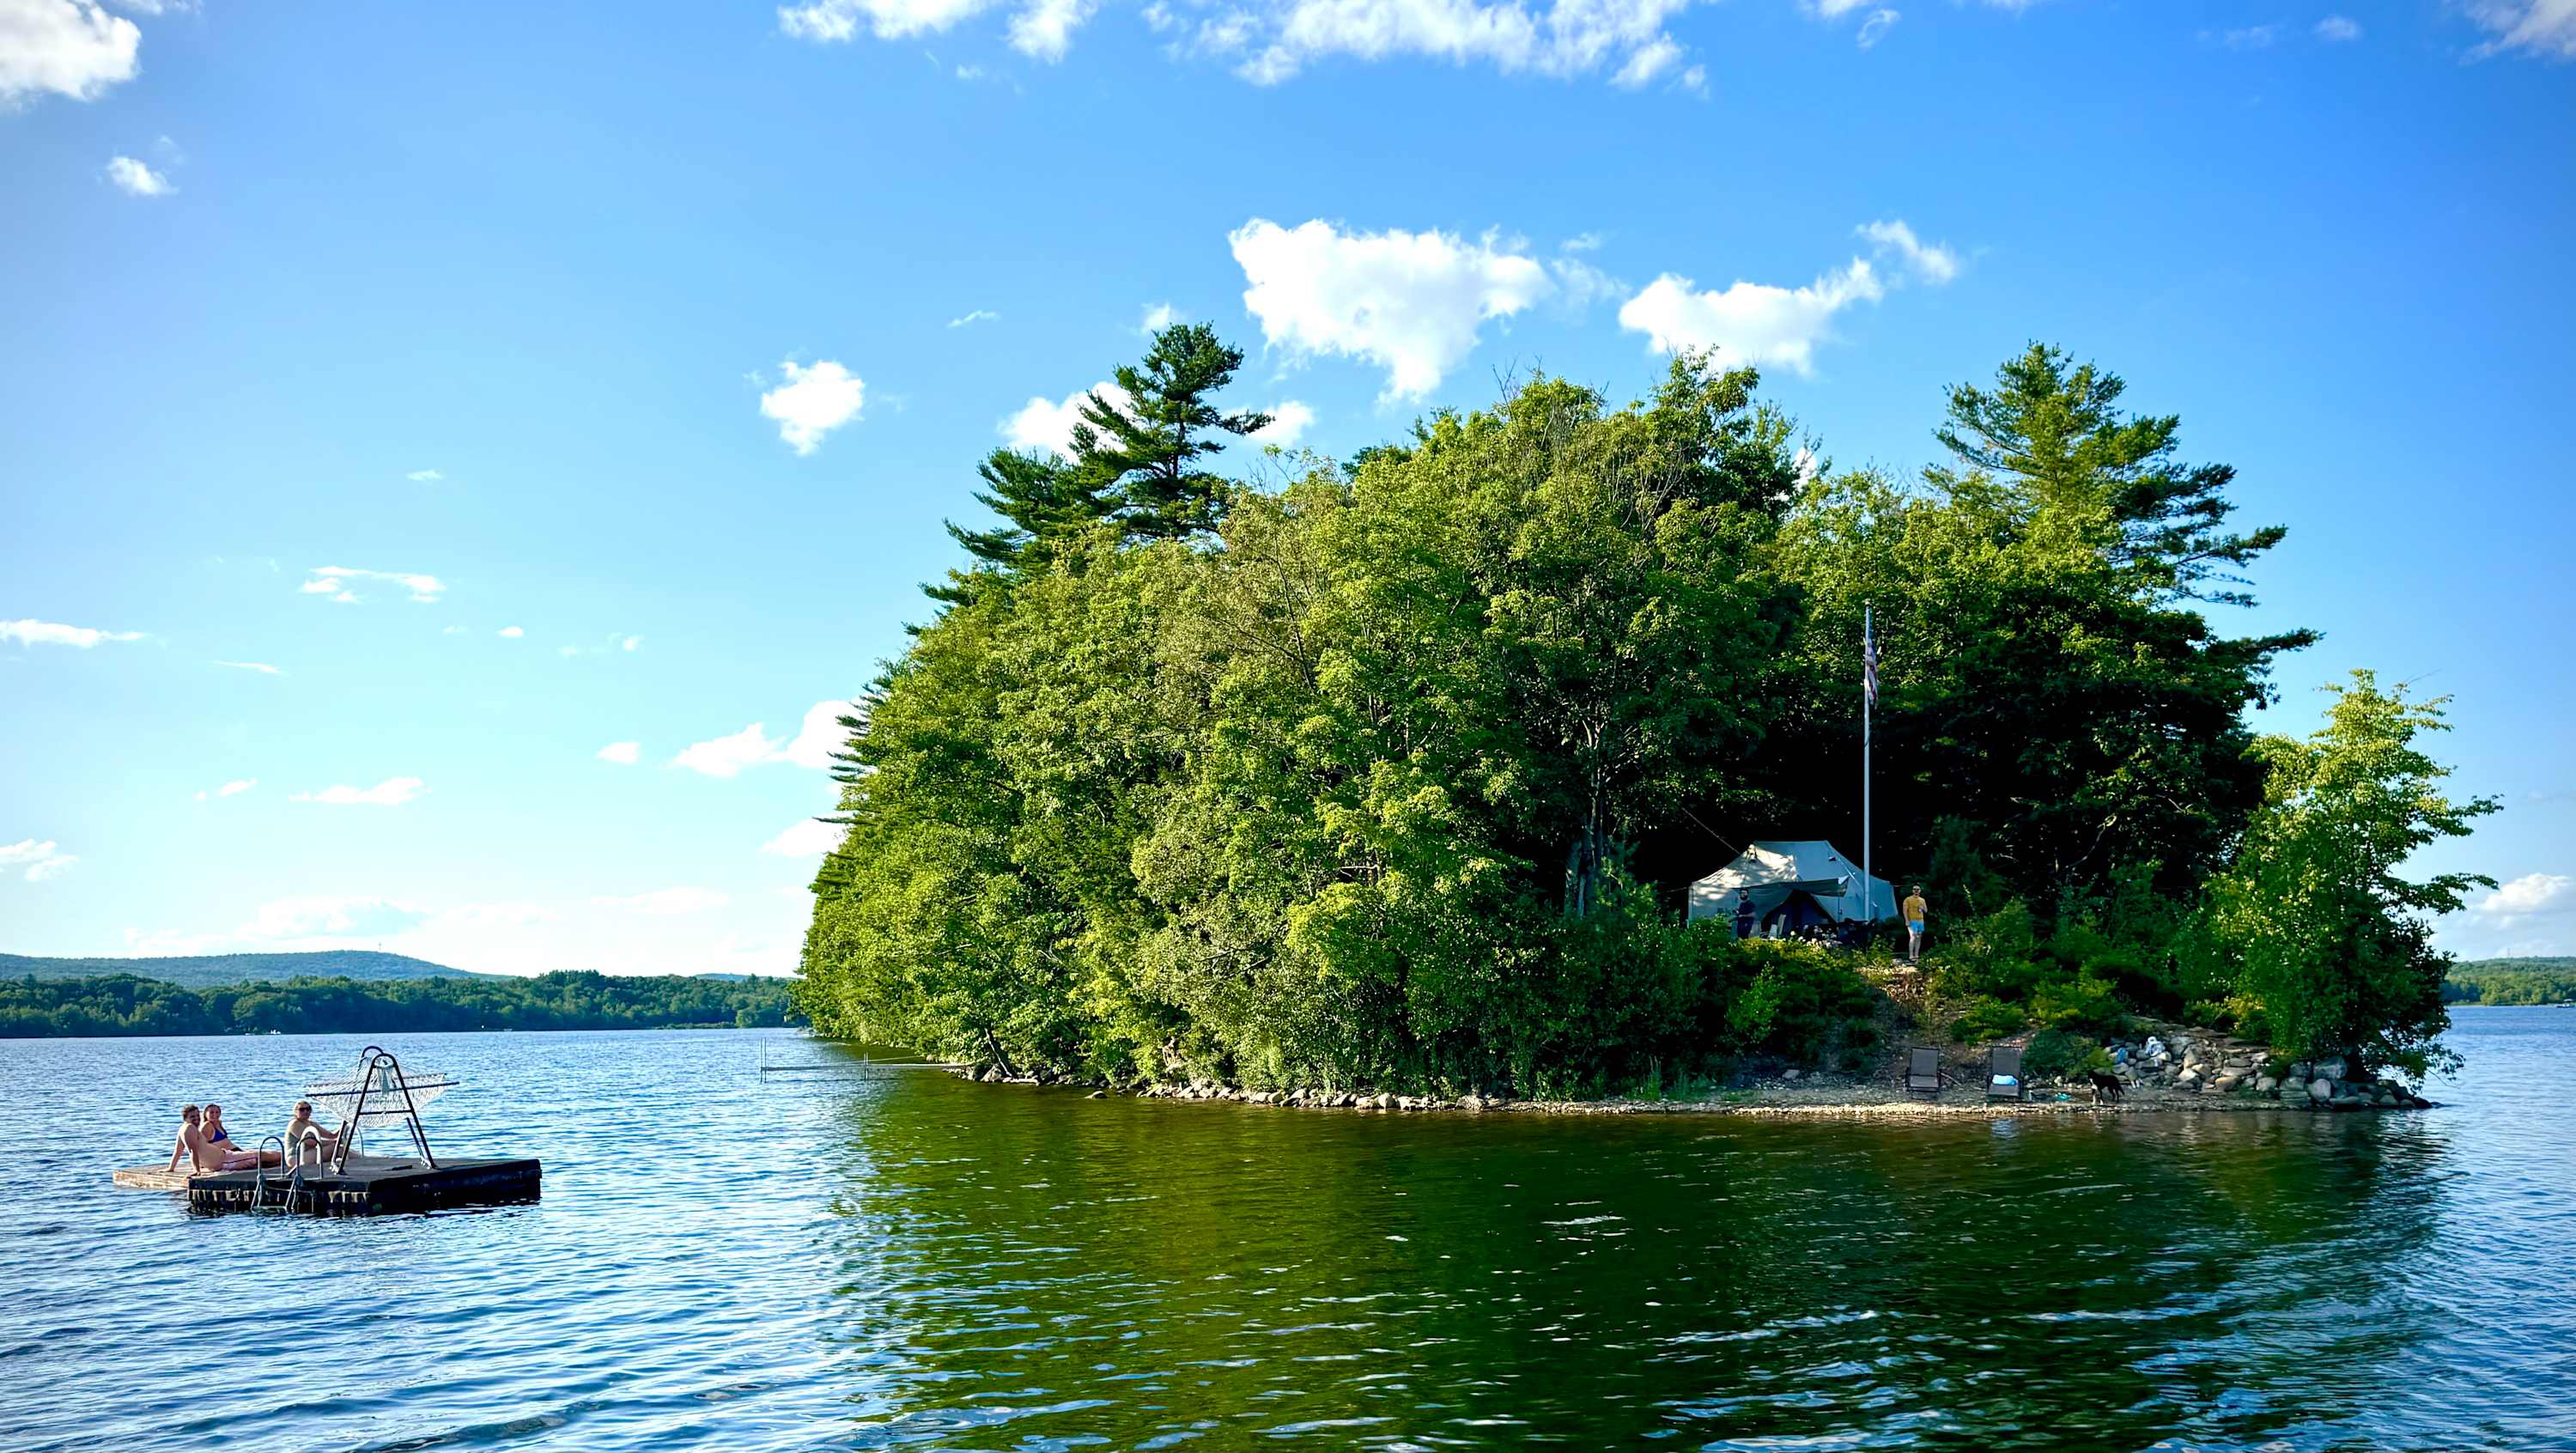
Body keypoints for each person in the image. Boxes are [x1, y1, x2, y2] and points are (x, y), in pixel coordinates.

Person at [167, 1104, 267, 1174]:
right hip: (225, 1161)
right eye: (192, 1116)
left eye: (198, 1115)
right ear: (185, 1118)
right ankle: (282, 1157)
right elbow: (192, 1151)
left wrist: (171, 1168)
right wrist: (196, 1170)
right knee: (260, 1156)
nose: (197, 1118)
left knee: (261, 1157)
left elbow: (178, 1151)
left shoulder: (184, 1128)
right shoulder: (189, 1128)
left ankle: (280, 1158)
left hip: (226, 1156)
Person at [201, 1103, 281, 1166]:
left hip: (235, 1152)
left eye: (217, 1112)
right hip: (228, 1155)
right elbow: (202, 1146)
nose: (215, 1114)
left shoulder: (218, 1123)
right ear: (205, 1113)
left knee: (269, 1155)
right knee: (269, 1156)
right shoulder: (207, 1126)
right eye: (211, 1112)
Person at [283, 1101, 338, 1166]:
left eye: (308, 1109)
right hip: (295, 1157)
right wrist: (333, 1142)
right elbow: (311, 1142)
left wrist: (345, 1123)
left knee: (339, 1148)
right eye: (302, 1110)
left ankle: (351, 1162)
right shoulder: (295, 1124)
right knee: (334, 1147)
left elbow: (331, 1135)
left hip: (308, 1153)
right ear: (296, 1112)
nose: (305, 1111)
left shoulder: (312, 1124)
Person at [1902, 885, 1929, 964]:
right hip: (1912, 921)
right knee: (1913, 936)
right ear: (1912, 890)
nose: (1916, 891)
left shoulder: (1922, 900)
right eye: (1915, 889)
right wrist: (1907, 920)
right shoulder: (1908, 899)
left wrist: (1922, 908)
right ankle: (1911, 955)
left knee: (1919, 937)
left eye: (1918, 889)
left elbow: (1926, 910)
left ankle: (1916, 955)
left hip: (1920, 921)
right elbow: (1905, 911)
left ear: (1920, 891)